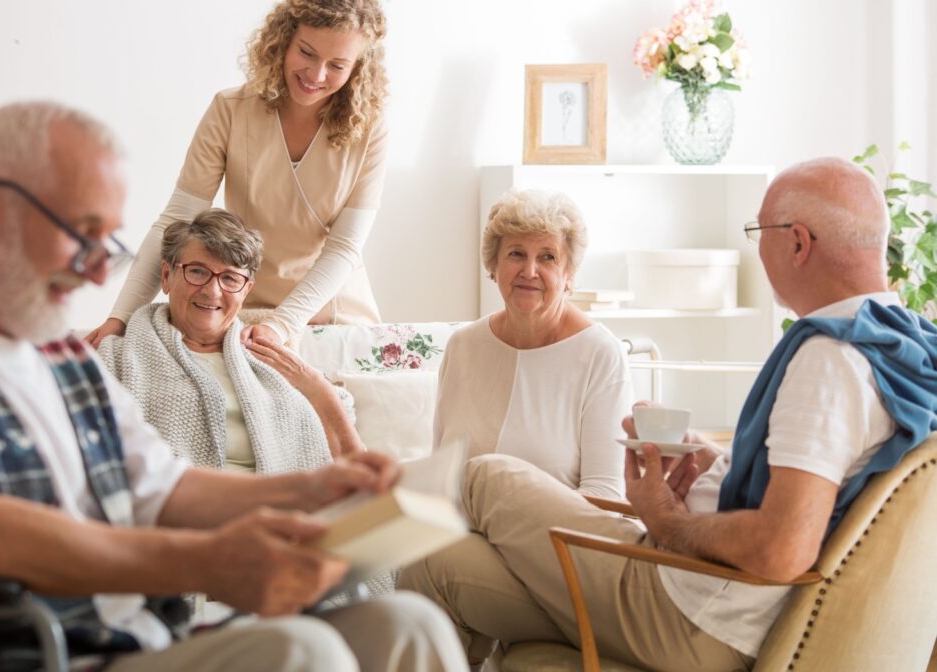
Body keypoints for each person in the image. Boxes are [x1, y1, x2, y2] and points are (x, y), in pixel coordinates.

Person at [0, 101, 466, 672]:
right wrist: (203, 563)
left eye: (108, 243)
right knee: (301, 651)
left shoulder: (59, 355)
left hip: (141, 634)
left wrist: (315, 490)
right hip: (42, 649)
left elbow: (163, 485)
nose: (100, 274)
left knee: (408, 625)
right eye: (81, 234)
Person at [400, 158, 937, 671]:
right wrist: (715, 460)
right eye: (517, 256)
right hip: (697, 600)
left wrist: (671, 523)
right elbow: (799, 487)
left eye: (760, 232)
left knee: (486, 475)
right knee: (436, 563)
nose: (757, 249)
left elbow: (782, 548)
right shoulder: (896, 346)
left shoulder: (829, 362)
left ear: (796, 242)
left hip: (688, 610)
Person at [86, 0, 389, 349]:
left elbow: (344, 247)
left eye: (337, 65)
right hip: (245, 306)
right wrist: (121, 317)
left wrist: (283, 324)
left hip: (332, 312)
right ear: (284, 40)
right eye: (306, 53)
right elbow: (176, 218)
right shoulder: (229, 111)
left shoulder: (370, 131)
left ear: (358, 68)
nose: (317, 75)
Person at [98, 208, 363, 473]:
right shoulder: (119, 358)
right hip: (183, 509)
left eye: (229, 278)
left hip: (285, 503)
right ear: (167, 276)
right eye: (198, 272)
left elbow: (355, 466)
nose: (212, 291)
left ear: (246, 290)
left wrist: (317, 386)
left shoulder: (274, 362)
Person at [433, 189, 631, 499]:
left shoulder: (600, 353)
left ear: (568, 274)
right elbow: (441, 475)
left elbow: (605, 494)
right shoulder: (463, 346)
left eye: (547, 257)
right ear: (493, 266)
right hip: (463, 533)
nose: (529, 271)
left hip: (556, 540)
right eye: (516, 254)